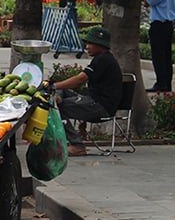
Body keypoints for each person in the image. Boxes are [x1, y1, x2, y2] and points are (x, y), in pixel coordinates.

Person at [52, 26, 123, 157]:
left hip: (100, 106)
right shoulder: (102, 58)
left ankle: (77, 145)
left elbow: (80, 79)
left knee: (57, 107)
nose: (87, 46)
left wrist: (54, 86)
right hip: (93, 100)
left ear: (101, 46)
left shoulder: (103, 60)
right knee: (63, 92)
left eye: (91, 43)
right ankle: (57, 98)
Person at [144, 0, 175, 93]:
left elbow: (147, 2)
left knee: (158, 56)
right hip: (169, 25)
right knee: (167, 56)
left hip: (159, 25)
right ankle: (167, 83)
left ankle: (160, 83)